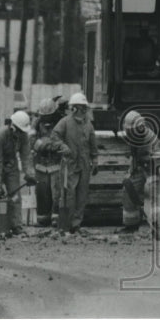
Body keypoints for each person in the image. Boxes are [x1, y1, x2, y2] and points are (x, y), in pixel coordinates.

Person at [51, 92, 99, 233]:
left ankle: (76, 224)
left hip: (84, 164)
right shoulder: (65, 122)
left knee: (82, 195)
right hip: (69, 164)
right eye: (81, 107)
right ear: (74, 108)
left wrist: (95, 160)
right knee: (68, 195)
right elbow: (54, 136)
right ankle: (65, 224)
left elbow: (93, 143)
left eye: (85, 108)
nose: (84, 111)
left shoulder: (88, 124)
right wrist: (62, 146)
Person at [0, 110, 34, 235]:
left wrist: (29, 173)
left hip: (11, 163)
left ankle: (16, 225)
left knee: (15, 196)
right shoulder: (0, 135)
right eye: (19, 130)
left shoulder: (23, 136)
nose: (20, 133)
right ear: (13, 126)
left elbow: (26, 156)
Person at [118, 110, 160, 234]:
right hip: (140, 168)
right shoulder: (134, 137)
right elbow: (134, 156)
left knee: (153, 196)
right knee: (128, 190)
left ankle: (156, 226)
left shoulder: (150, 138)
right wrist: (130, 171)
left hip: (153, 170)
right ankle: (131, 224)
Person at [32, 98, 69, 228]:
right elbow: (32, 141)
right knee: (42, 193)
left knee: (57, 194)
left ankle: (56, 218)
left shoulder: (61, 122)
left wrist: (45, 143)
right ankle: (42, 219)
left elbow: (60, 142)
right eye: (44, 116)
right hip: (41, 166)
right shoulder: (36, 123)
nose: (46, 120)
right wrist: (49, 144)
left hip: (56, 165)